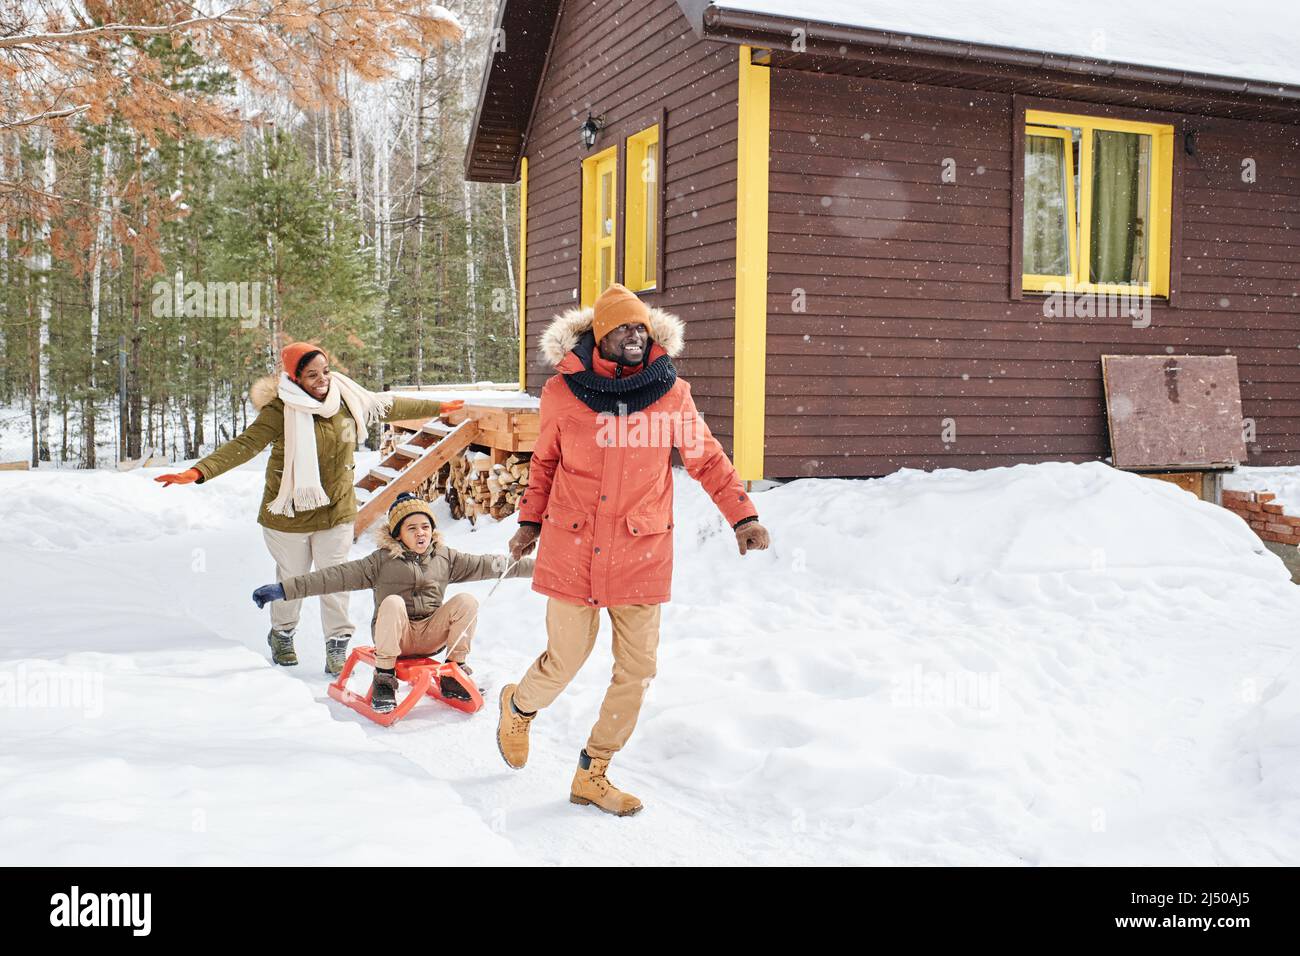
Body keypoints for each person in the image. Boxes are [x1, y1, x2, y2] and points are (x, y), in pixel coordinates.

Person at [496, 283, 771, 816]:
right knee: (565, 659)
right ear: (600, 335)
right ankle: (519, 706)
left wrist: (743, 515)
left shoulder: (672, 393)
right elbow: (545, 464)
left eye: (642, 327)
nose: (635, 335)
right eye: (624, 327)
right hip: (573, 543)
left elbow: (707, 460)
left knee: (636, 670)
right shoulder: (562, 392)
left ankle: (593, 771)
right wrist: (529, 521)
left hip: (641, 549)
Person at [156, 342, 462, 674]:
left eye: (325, 371)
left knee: (337, 578)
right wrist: (200, 471)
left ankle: (336, 645)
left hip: (336, 511)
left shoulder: (346, 398)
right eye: (312, 374)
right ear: (295, 377)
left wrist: (438, 406)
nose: (322, 380)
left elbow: (385, 405)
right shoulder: (280, 411)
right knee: (294, 578)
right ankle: (283, 634)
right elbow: (245, 444)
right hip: (289, 515)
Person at [251, 493, 534, 710]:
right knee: (393, 602)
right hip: (395, 639)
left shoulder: (446, 558)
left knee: (466, 601)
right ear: (398, 533)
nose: (420, 533)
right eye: (412, 528)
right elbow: (332, 577)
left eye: (425, 526)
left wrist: (541, 570)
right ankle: (384, 678)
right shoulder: (380, 562)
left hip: (430, 636)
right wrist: (283, 589)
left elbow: (494, 564)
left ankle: (453, 673)